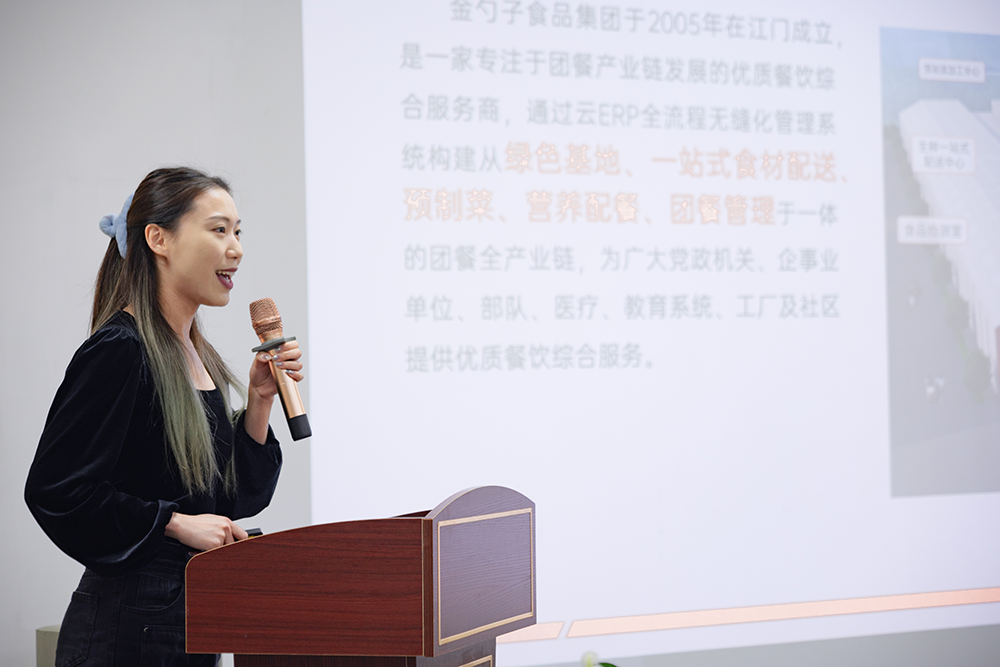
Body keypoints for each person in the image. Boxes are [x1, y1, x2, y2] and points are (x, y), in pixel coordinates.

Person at [24, 167, 302, 666]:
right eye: (218, 230)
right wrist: (172, 524)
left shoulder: (198, 355)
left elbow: (229, 501)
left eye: (238, 232)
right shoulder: (120, 349)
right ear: (159, 239)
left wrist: (261, 401)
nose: (236, 249)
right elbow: (58, 490)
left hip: (186, 620)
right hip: (125, 630)